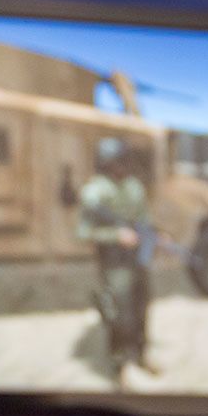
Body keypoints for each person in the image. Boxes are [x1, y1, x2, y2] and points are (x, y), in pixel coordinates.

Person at [79, 137, 159, 377]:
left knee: (141, 307)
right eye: (116, 162)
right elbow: (83, 232)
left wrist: (150, 235)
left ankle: (140, 354)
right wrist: (116, 235)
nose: (122, 166)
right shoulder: (95, 191)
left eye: (123, 161)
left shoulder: (134, 187)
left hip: (136, 261)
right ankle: (117, 362)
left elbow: (144, 219)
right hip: (114, 264)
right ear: (106, 163)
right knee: (116, 312)